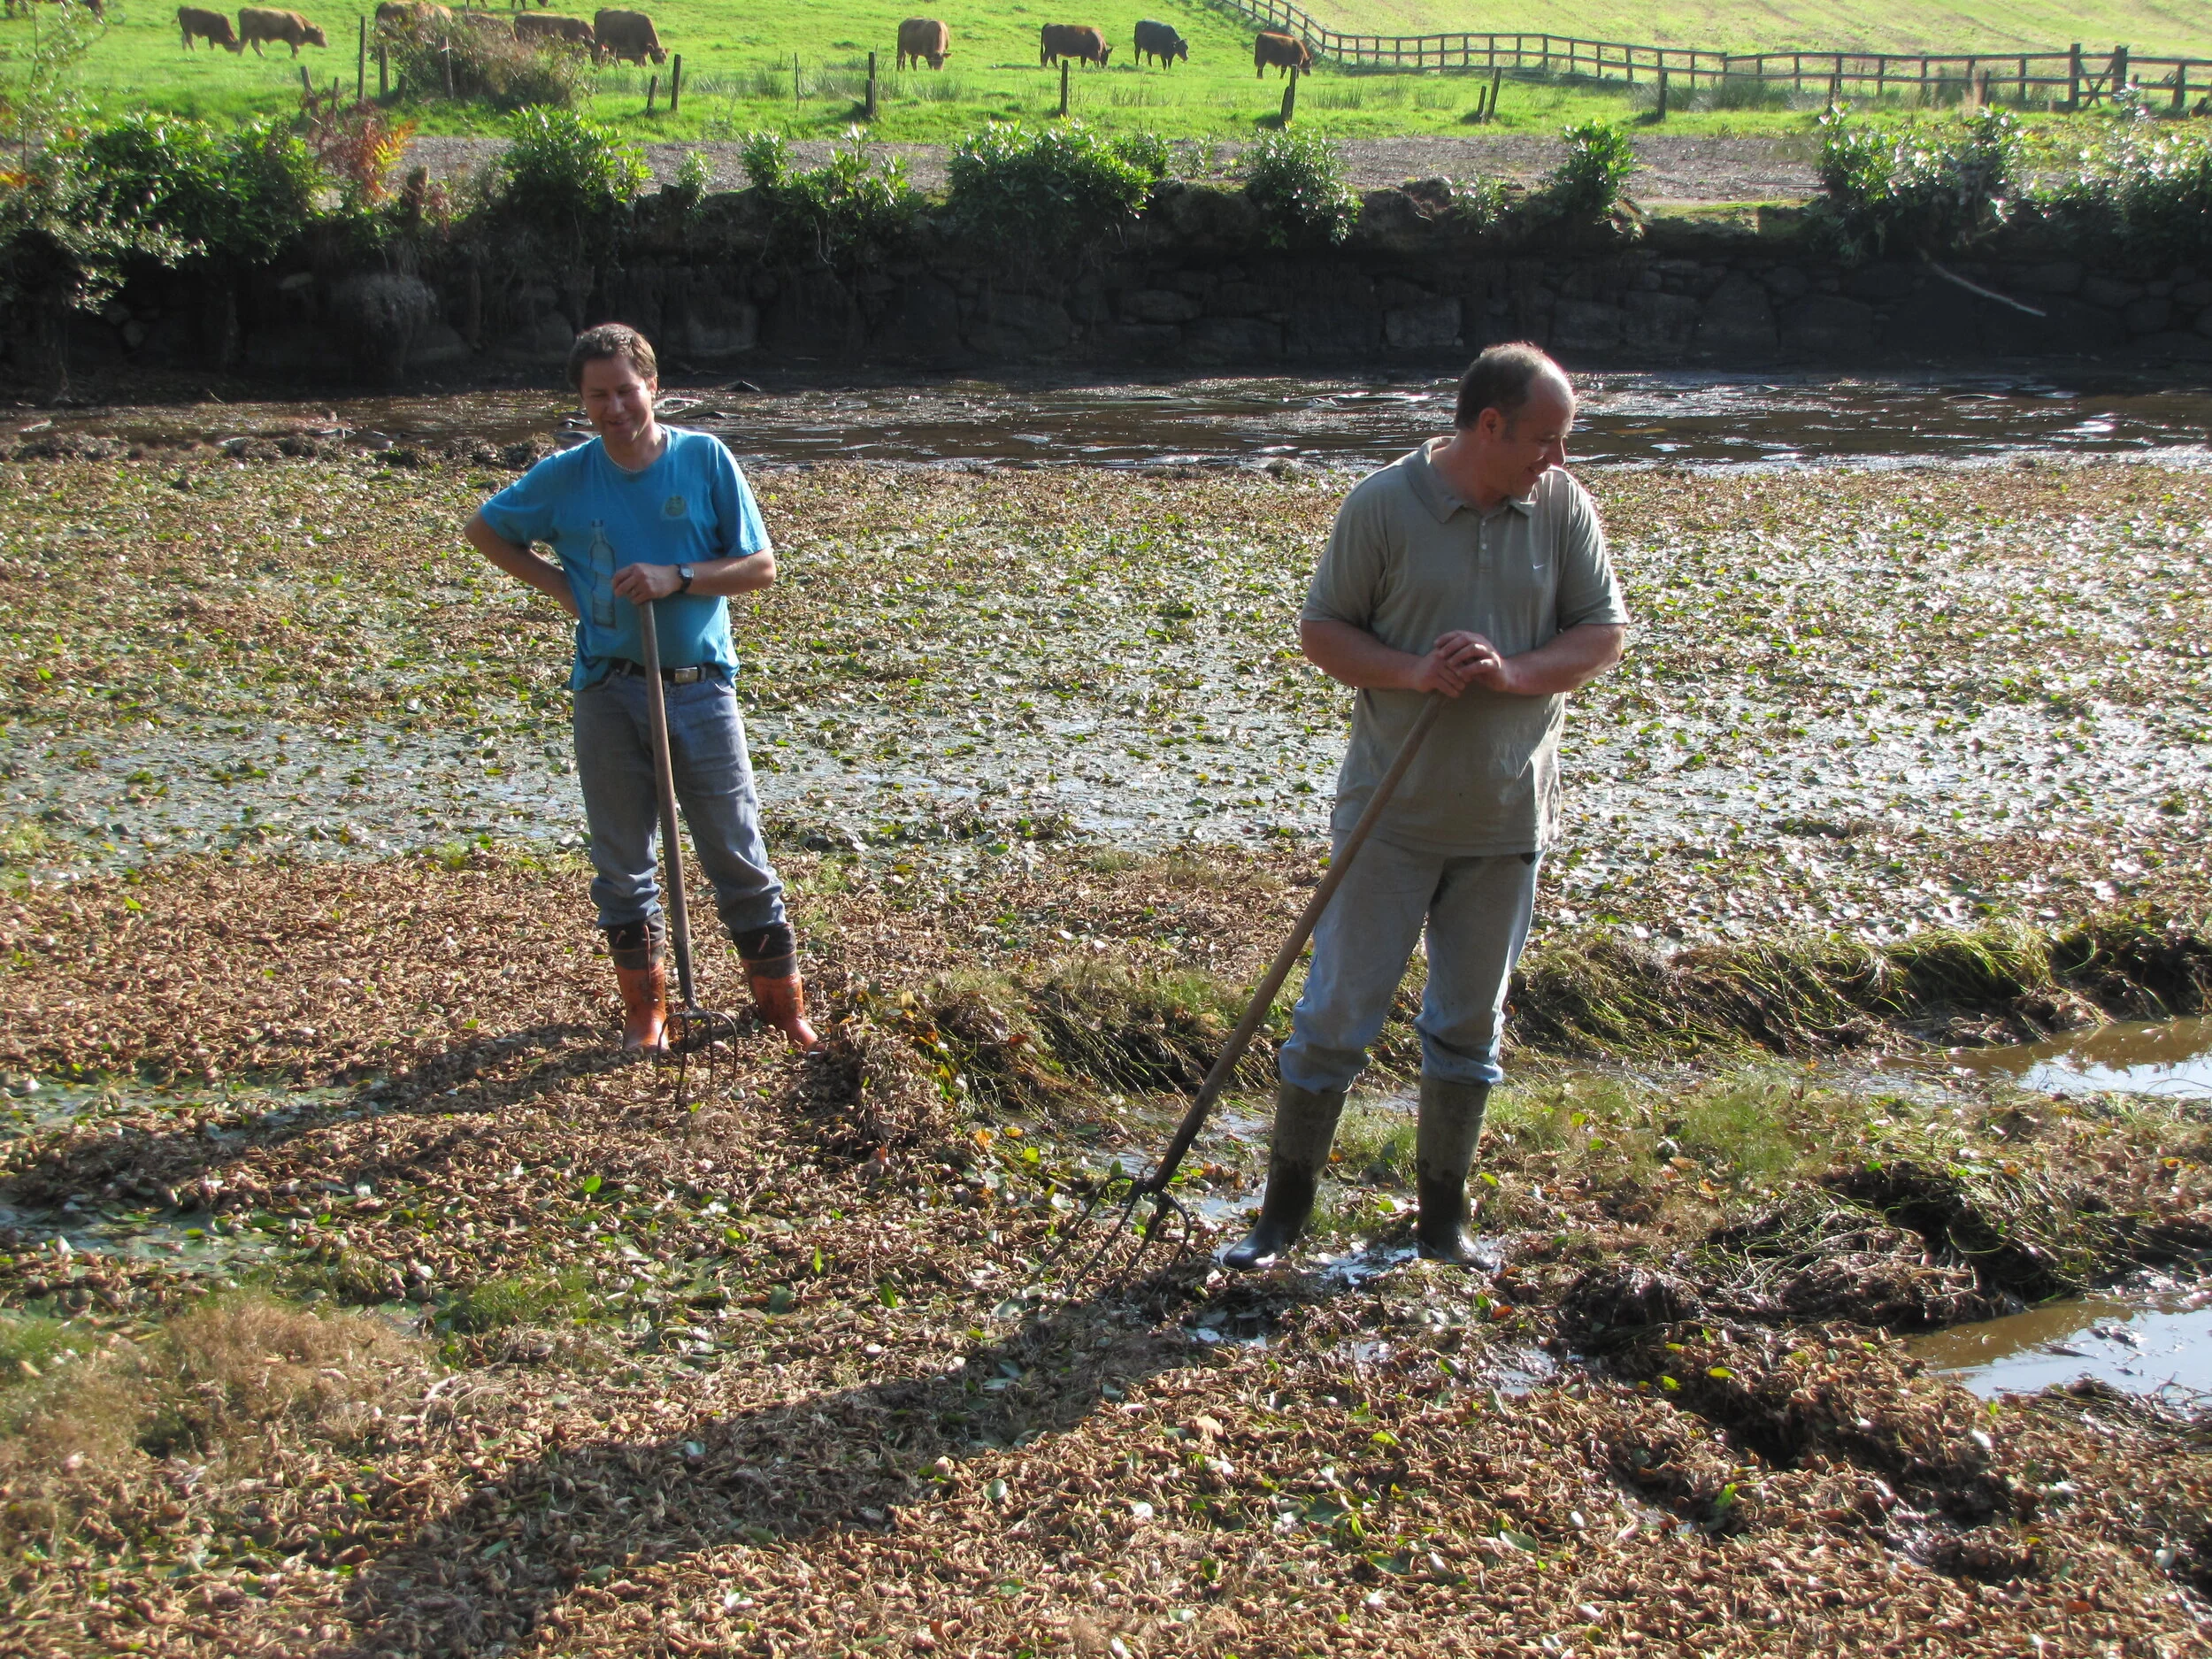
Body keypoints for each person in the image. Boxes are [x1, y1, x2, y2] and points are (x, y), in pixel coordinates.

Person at [1225, 342, 1629, 1271]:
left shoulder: (1564, 507)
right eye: (1543, 439)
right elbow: (1321, 629)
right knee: (1333, 1021)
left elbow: (1602, 632)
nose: (1555, 460)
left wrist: (1513, 673)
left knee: (1466, 1026)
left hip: (1505, 819)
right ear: (1488, 425)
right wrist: (1414, 671)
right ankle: (1281, 1218)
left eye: (1562, 442)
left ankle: (1442, 1224)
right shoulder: (1382, 505)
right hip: (1389, 817)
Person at [462, 323, 819, 1056]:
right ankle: (646, 1013)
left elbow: (759, 566)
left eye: (626, 390)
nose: (614, 407)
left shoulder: (704, 459)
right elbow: (486, 530)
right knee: (623, 863)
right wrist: (571, 591)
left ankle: (784, 1011)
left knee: (738, 853)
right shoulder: (566, 474)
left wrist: (676, 577)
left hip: (700, 687)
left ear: (652, 386)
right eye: (598, 395)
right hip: (608, 687)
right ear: (582, 400)